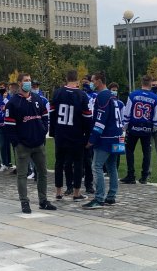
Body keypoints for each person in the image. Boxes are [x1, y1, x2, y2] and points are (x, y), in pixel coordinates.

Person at [3, 74, 56, 214]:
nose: (28, 83)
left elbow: (45, 117)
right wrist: (17, 143)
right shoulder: (13, 103)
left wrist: (42, 132)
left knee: (42, 172)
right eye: (26, 80)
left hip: (38, 143)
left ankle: (43, 200)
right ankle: (24, 201)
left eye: (29, 80)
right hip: (23, 145)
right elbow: (9, 126)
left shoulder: (38, 99)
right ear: (20, 83)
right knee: (22, 174)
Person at [50, 70, 92, 201]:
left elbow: (52, 114)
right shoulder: (82, 95)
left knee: (59, 162)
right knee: (78, 163)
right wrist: (88, 135)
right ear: (77, 80)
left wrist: (53, 132)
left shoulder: (57, 93)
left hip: (61, 133)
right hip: (76, 134)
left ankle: (58, 192)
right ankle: (76, 193)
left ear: (66, 78)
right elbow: (87, 118)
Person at [83, 72, 123, 209]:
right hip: (117, 136)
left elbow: (100, 121)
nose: (91, 83)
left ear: (99, 81)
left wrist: (92, 139)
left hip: (106, 138)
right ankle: (111, 196)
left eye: (93, 80)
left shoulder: (102, 96)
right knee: (112, 166)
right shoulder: (112, 96)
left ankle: (99, 198)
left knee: (97, 166)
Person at [121, 75, 157, 185]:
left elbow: (127, 112)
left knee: (129, 150)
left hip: (133, 126)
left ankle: (131, 175)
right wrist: (154, 127)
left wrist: (125, 125)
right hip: (147, 127)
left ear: (141, 83)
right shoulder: (155, 98)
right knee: (146, 152)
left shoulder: (133, 95)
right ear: (150, 84)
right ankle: (144, 176)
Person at [81, 75, 97, 195]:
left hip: (89, 129)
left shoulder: (95, 96)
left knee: (88, 159)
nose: (86, 84)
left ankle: (89, 184)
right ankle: (74, 182)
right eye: (84, 83)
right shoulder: (80, 94)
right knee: (77, 158)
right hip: (79, 129)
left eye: (88, 82)